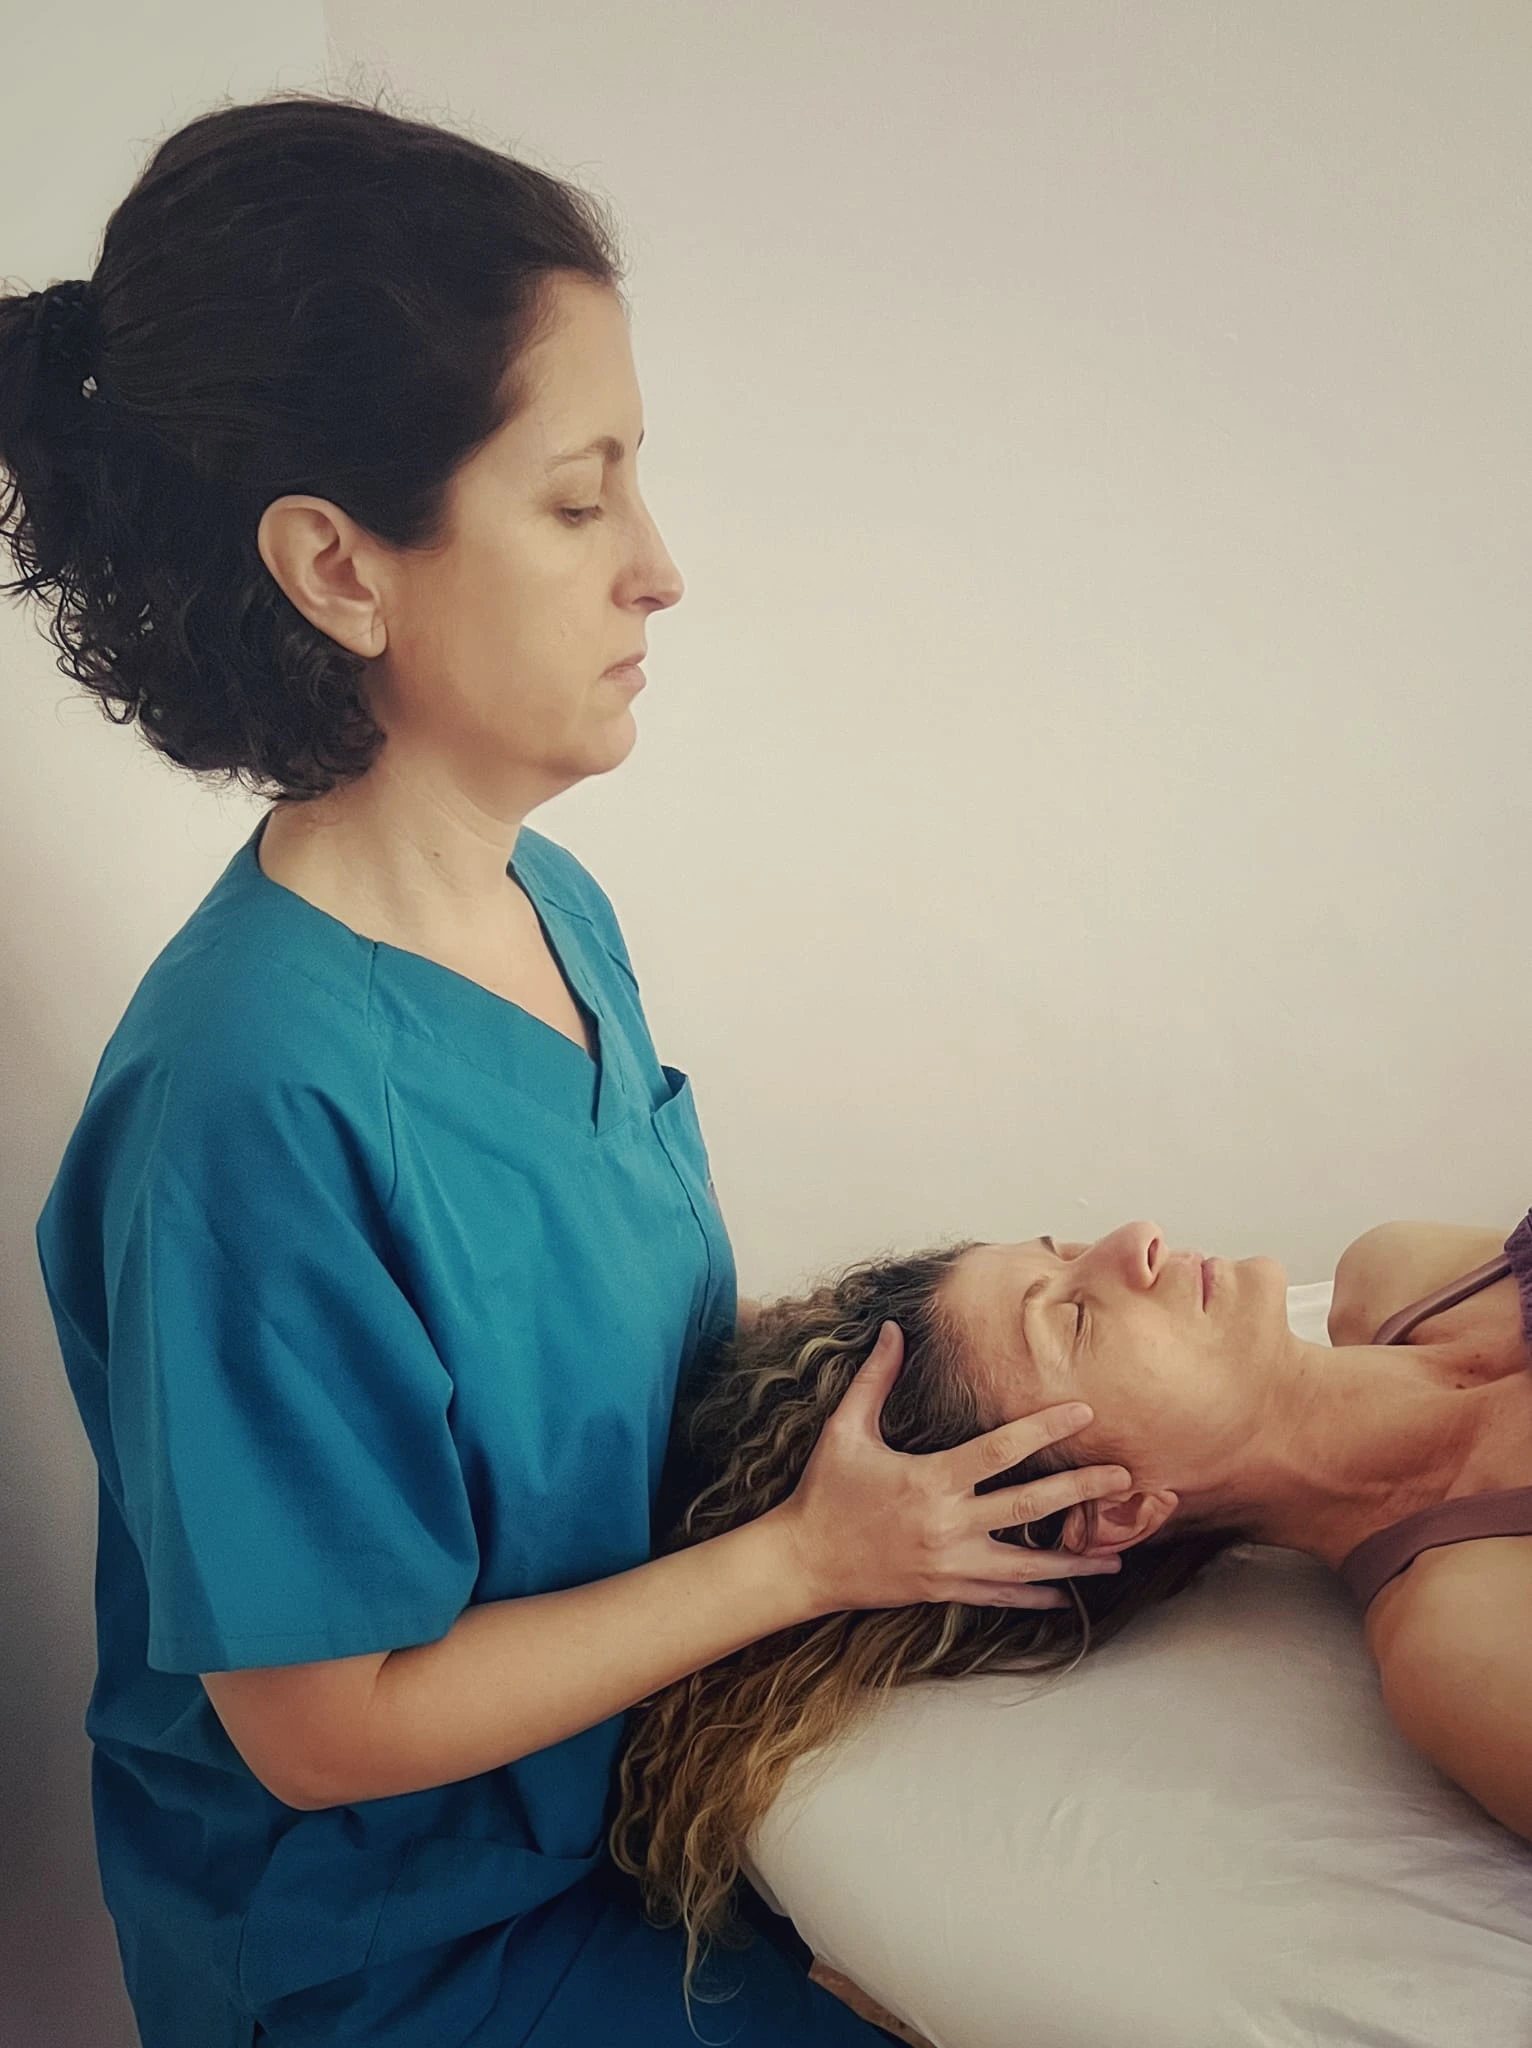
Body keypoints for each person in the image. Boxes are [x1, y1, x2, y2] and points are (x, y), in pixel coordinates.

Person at [4, 91, 1133, 2048]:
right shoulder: (251, 1101)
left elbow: (602, 1382)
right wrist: (806, 1559)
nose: (658, 567)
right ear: (339, 568)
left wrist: (960, 1448)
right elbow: (325, 1727)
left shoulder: (550, 910)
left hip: (620, 1821)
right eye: (578, 498)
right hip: (394, 1957)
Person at [615, 1215, 1532, 1998]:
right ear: (1115, 1511)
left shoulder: (1406, 1273)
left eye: (1065, 1252)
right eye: (1077, 1318)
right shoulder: (1471, 1643)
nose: (1137, 1240)